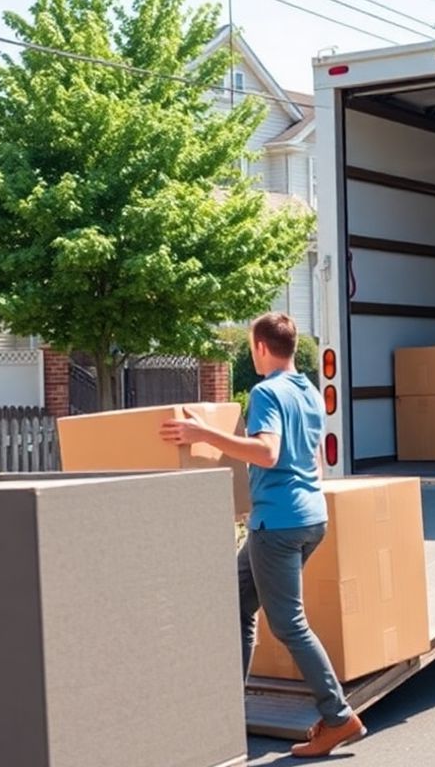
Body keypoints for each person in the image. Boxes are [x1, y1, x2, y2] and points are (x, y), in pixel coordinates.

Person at [161, 312, 364, 758]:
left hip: (279, 523)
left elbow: (269, 453)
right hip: (309, 516)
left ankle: (337, 716)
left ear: (261, 347)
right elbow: (312, 456)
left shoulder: (266, 391)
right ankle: (229, 707)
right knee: (237, 601)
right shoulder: (309, 390)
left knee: (289, 623)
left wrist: (203, 433)